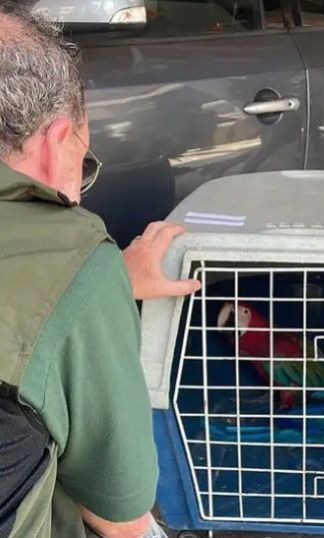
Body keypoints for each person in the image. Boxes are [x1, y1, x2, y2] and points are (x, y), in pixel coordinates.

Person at [0, 6, 200, 538]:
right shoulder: (69, 249)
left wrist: (95, 293)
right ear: (55, 141)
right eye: (83, 161)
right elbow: (120, 509)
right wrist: (91, 284)